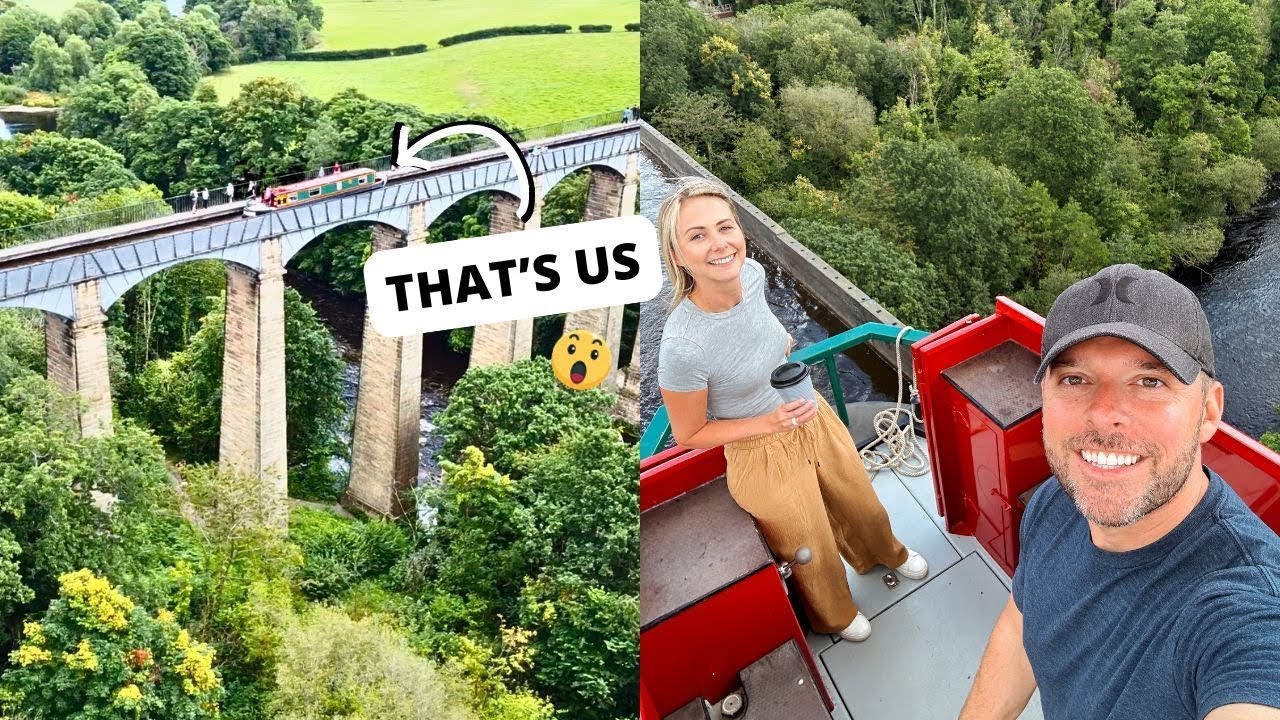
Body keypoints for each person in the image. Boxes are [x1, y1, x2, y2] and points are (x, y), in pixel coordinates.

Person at [960, 264, 1280, 720]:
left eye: (1150, 382)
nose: (1104, 414)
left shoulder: (1245, 608)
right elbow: (1023, 621)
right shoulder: (1055, 502)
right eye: (1075, 379)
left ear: (1209, 412)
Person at [655, 178, 928, 643]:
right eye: (697, 236)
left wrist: (779, 346)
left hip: (806, 411)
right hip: (758, 449)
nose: (719, 245)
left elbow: (762, 326)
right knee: (809, 541)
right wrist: (767, 422)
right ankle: (836, 614)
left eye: (725, 228)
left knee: (857, 497)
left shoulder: (754, 275)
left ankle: (885, 553)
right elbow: (689, 433)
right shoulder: (682, 344)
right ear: (678, 255)